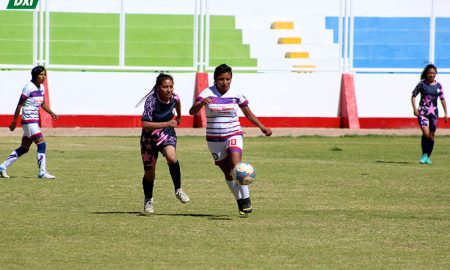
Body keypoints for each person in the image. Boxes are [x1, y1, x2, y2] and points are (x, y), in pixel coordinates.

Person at [189, 64, 272, 216]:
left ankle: (246, 199)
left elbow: (248, 114)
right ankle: (239, 199)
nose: (225, 82)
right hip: (214, 140)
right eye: (221, 79)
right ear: (215, 79)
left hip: (233, 133)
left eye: (228, 79)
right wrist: (201, 103)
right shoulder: (207, 93)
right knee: (228, 174)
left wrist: (262, 127)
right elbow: (191, 111)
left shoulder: (236, 93)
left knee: (236, 166)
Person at [137, 73, 190, 214]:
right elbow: (145, 124)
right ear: (158, 88)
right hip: (149, 139)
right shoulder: (151, 101)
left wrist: (179, 117)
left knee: (172, 158)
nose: (169, 90)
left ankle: (178, 190)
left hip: (166, 133)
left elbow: (178, 104)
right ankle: (148, 199)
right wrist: (167, 122)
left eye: (171, 86)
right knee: (150, 173)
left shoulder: (175, 97)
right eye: (165, 87)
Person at [0, 66, 58, 179]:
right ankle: (42, 172)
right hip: (28, 121)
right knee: (42, 144)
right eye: (41, 74)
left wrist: (52, 112)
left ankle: (2, 166)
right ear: (35, 75)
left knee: (24, 148)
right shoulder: (28, 88)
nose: (44, 77)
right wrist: (13, 122)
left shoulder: (41, 88)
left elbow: (43, 103)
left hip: (33, 122)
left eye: (44, 74)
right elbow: (20, 105)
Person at [411, 64, 448, 164]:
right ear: (426, 74)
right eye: (429, 73)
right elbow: (413, 96)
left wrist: (446, 113)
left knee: (431, 136)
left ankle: (427, 156)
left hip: (434, 114)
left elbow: (442, 99)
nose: (431, 75)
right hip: (423, 112)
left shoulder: (438, 85)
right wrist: (415, 109)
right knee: (426, 133)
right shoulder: (422, 84)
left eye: (433, 73)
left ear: (436, 74)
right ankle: (424, 155)